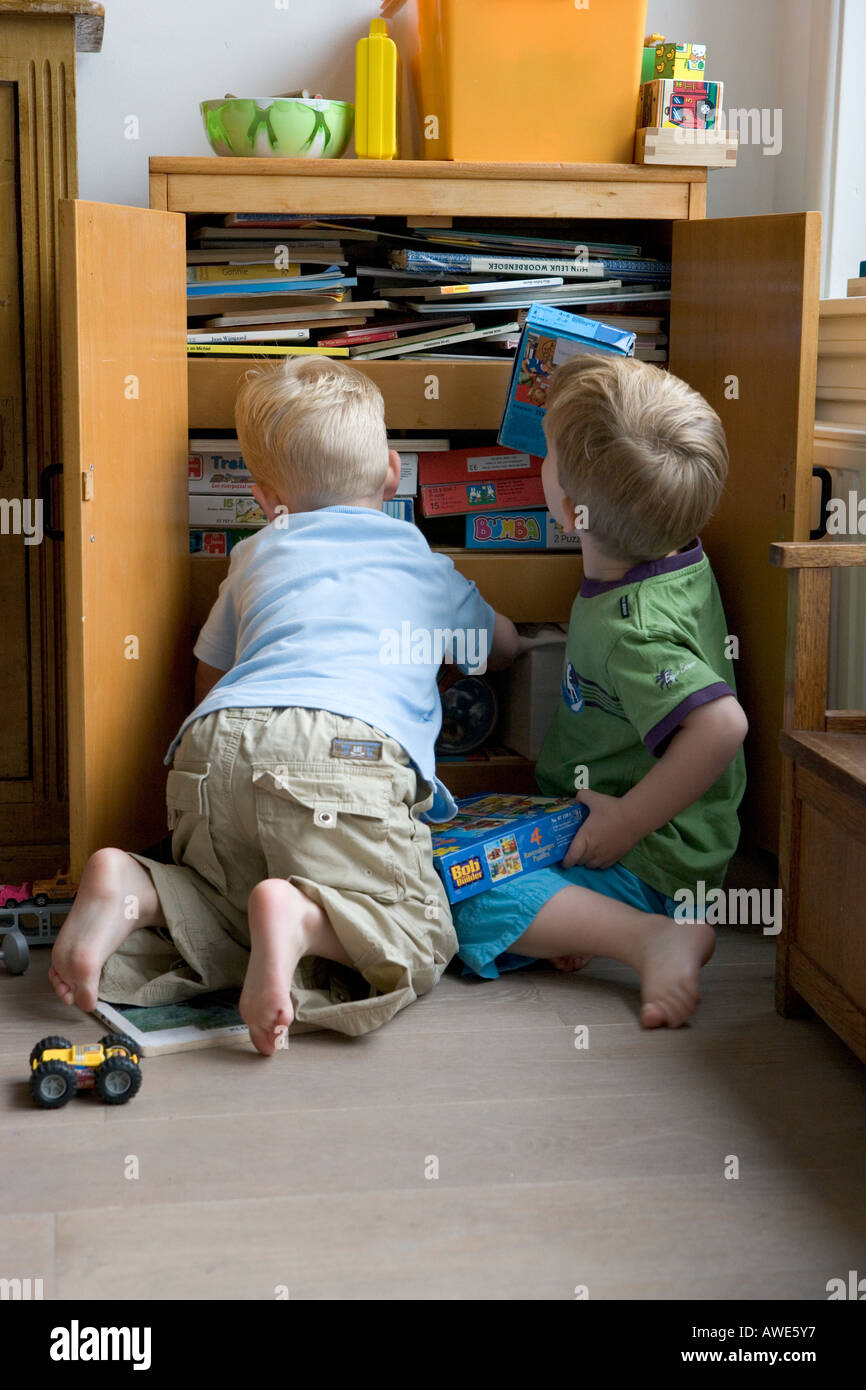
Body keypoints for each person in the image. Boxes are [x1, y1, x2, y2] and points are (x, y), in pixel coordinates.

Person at [50, 356, 519, 1053]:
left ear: (268, 501)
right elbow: (501, 647)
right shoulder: (422, 562)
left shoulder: (258, 552)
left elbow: (210, 672)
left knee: (225, 905)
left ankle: (138, 887)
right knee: (417, 928)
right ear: (392, 472)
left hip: (217, 742)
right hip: (345, 754)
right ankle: (300, 920)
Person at [452, 353, 747, 1028]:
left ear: (566, 510)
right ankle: (589, 922)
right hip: (622, 825)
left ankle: (648, 936)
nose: (540, 461)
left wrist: (627, 822)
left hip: (655, 857)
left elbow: (723, 726)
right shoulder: (667, 540)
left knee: (462, 898)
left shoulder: (635, 631)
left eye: (548, 455)